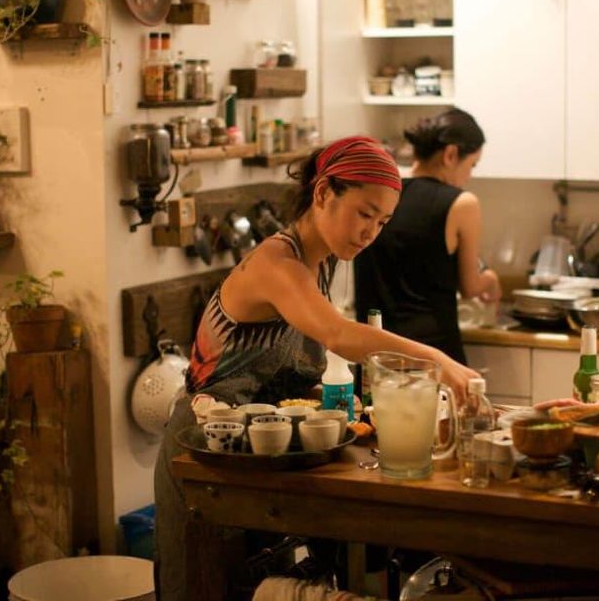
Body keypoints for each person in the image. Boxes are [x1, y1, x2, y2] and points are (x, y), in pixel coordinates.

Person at [154, 136, 480, 600]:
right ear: (324, 192)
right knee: (206, 588)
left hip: (261, 455)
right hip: (206, 456)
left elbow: (289, 375)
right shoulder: (277, 262)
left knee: (260, 584)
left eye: (382, 222)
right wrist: (440, 361)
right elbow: (341, 336)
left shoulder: (318, 262)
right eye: (365, 214)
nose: (371, 232)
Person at [354, 108, 501, 363]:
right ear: (451, 154)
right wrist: (491, 280)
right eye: (471, 165)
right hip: (432, 357)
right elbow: (470, 286)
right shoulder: (461, 204)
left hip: (375, 352)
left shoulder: (380, 192)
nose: (470, 175)